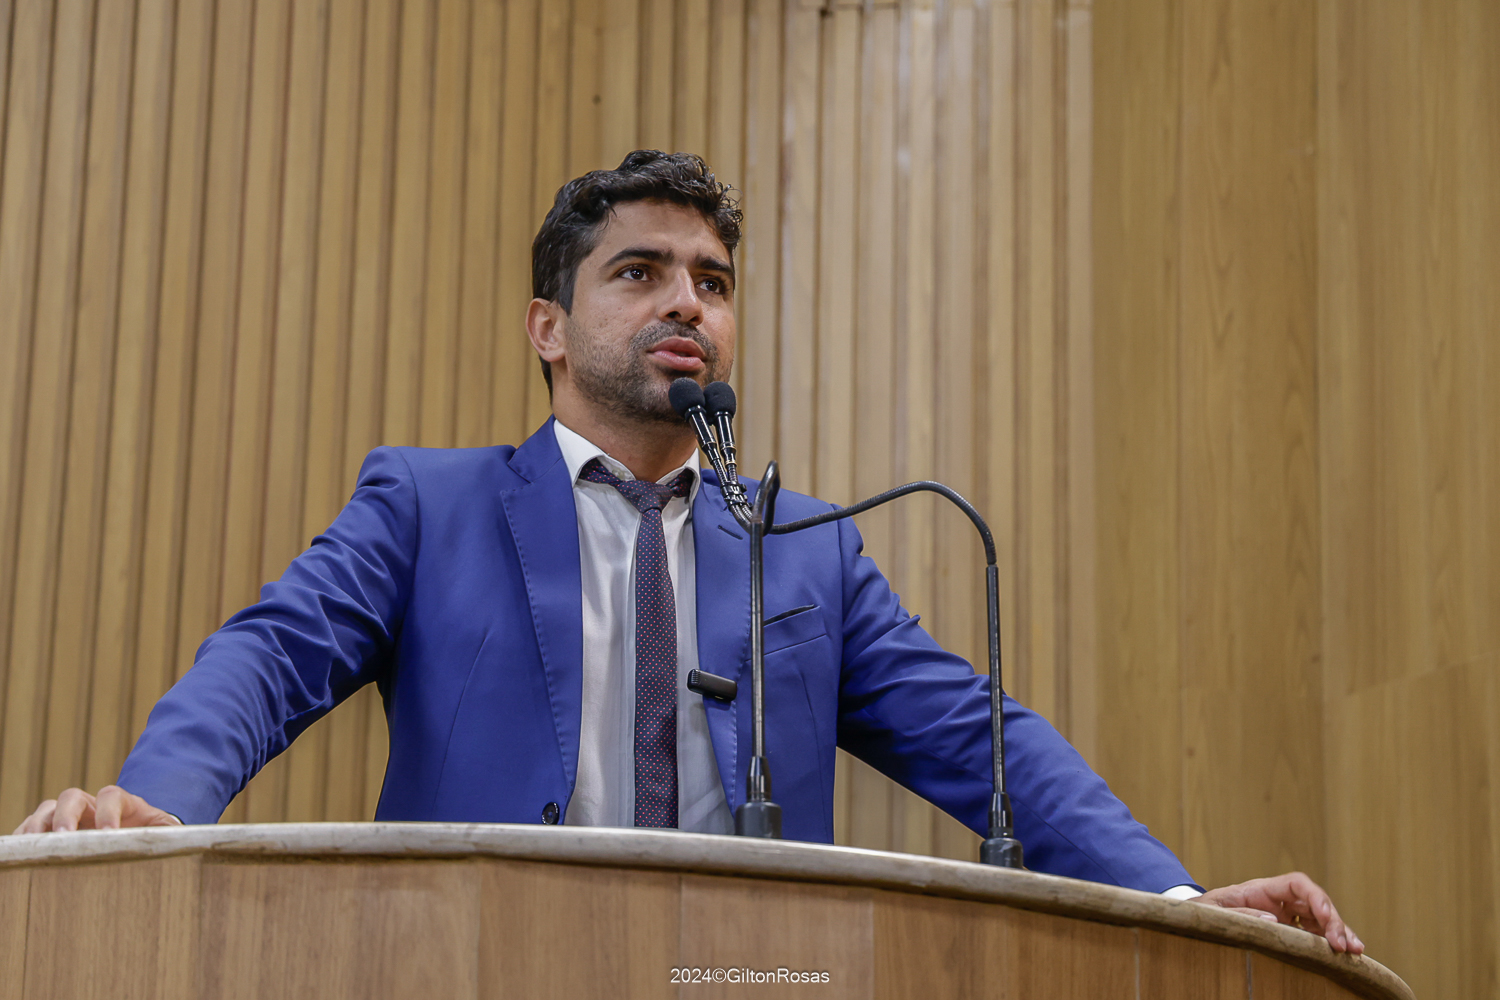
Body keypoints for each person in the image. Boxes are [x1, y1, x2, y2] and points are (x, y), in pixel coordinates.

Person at [14, 151, 1362, 954]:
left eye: (712, 283)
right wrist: (159, 807)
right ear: (549, 327)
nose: (687, 303)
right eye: (641, 272)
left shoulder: (807, 550)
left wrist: (1182, 898)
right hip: (473, 966)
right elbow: (272, 654)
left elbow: (984, 741)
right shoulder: (428, 504)